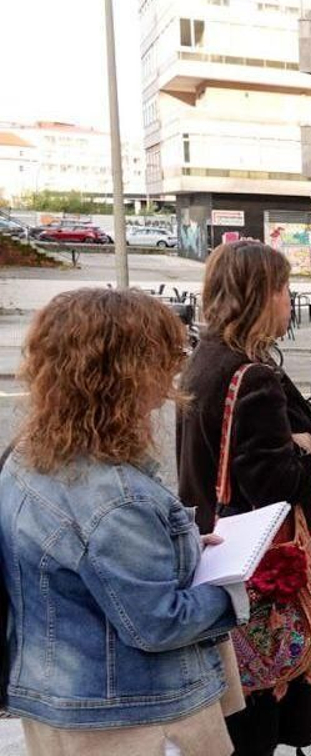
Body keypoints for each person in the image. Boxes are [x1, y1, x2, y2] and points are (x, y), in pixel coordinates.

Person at [1, 289, 244, 755]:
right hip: (137, 718)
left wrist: (177, 550)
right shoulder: (115, 494)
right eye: (168, 356)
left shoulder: (27, 455)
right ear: (127, 371)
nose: (175, 370)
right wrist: (232, 590)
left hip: (60, 703)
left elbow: (78, 568)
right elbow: (159, 623)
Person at [177, 240, 311, 756]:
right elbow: (275, 484)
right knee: (257, 712)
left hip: (216, 548)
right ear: (260, 295)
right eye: (284, 289)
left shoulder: (206, 359)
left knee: (236, 709)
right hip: (261, 563)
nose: (289, 300)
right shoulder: (252, 375)